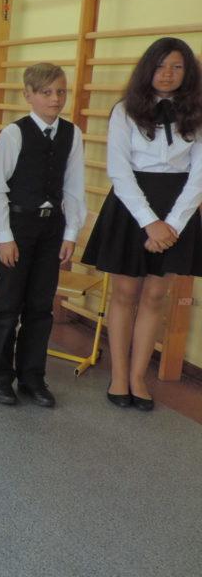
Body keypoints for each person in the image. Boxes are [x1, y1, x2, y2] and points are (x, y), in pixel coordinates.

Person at [82, 37, 202, 412]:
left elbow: (198, 174)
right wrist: (150, 223)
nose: (167, 74)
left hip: (178, 208)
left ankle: (138, 377)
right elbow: (119, 170)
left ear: (188, 73)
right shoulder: (125, 111)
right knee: (124, 293)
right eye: (161, 65)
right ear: (148, 68)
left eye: (177, 67)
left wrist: (173, 225)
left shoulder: (197, 112)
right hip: (132, 206)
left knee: (155, 296)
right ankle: (119, 375)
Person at [0, 62, 86, 408]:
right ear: (28, 95)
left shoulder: (72, 134)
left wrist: (70, 233)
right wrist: (4, 236)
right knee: (8, 305)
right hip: (18, 227)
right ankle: (0, 375)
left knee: (41, 306)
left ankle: (32, 376)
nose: (55, 99)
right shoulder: (14, 134)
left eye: (61, 92)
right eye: (46, 92)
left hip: (51, 227)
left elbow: (74, 187)